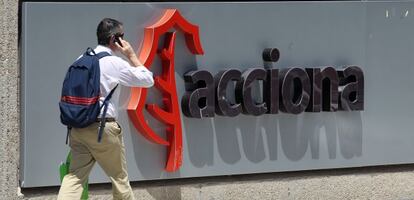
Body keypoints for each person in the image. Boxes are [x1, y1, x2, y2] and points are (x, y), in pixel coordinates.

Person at [57, 18, 154, 200]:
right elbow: (148, 79)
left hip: (78, 128)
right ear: (114, 39)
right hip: (103, 130)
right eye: (122, 36)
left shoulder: (82, 58)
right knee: (119, 178)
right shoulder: (114, 62)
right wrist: (131, 55)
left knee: (74, 177)